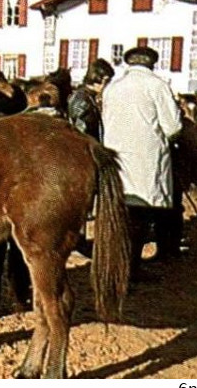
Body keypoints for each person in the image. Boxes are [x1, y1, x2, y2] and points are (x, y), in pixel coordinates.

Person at [102, 45, 183, 274]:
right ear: (151, 64)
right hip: (146, 160)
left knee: (121, 213)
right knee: (140, 215)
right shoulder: (157, 85)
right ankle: (131, 267)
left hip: (116, 157)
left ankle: (118, 265)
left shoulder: (113, 87)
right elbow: (173, 126)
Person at [67, 59, 112, 139]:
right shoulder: (81, 100)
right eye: (107, 81)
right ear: (101, 79)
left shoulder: (88, 97)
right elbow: (80, 134)